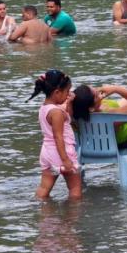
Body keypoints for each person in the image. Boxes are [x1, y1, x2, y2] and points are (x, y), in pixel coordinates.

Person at [30, 70, 81, 200]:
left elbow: (66, 116)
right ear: (57, 92)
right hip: (62, 152)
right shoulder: (56, 113)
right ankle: (72, 218)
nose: (69, 94)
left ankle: (44, 217)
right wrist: (65, 160)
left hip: (47, 152)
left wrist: (68, 102)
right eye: (67, 91)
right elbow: (58, 137)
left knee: (44, 188)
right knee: (75, 189)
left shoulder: (45, 108)